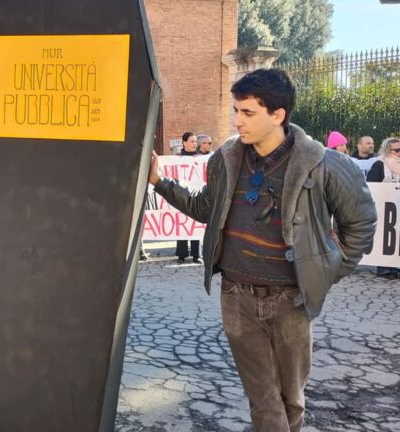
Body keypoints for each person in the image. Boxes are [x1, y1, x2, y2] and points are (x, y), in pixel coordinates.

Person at [149, 68, 376, 432]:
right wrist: (159, 181)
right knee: (264, 400)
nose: (237, 121)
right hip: (237, 297)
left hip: (292, 301)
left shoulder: (323, 164)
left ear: (278, 115)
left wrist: (328, 268)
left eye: (247, 112)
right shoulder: (224, 160)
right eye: (235, 111)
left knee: (292, 399)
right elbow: (204, 208)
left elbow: (361, 223)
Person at [366, 137, 400, 280]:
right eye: (397, 150)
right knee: (384, 238)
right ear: (388, 150)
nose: (399, 152)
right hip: (383, 209)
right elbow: (371, 186)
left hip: (398, 206)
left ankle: (395, 266)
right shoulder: (379, 165)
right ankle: (384, 268)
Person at [175, 131, 201, 264]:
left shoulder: (201, 158)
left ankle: (196, 254)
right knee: (182, 224)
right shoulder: (177, 159)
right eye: (192, 141)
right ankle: (181, 254)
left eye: (195, 141)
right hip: (182, 194)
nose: (194, 144)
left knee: (195, 223)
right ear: (184, 143)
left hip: (196, 195)